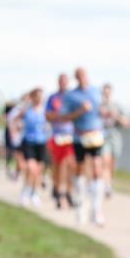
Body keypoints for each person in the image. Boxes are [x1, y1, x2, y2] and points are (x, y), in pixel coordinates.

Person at [60, 67, 106, 226]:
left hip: (96, 136)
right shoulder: (71, 96)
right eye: (79, 76)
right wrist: (80, 111)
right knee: (80, 170)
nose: (82, 78)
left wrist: (105, 113)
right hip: (79, 136)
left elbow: (102, 111)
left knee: (97, 168)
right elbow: (65, 116)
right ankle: (81, 206)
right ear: (76, 78)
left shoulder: (96, 92)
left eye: (84, 75)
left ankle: (97, 209)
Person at [45, 73, 78, 210]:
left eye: (65, 81)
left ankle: (68, 193)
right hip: (57, 136)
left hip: (71, 136)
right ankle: (58, 190)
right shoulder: (53, 98)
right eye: (61, 81)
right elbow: (48, 115)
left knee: (70, 164)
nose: (63, 83)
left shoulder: (73, 98)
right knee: (58, 165)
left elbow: (78, 115)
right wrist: (61, 116)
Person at [17, 88, 49, 207]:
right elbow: (16, 119)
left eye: (42, 96)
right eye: (38, 96)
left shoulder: (45, 110)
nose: (40, 98)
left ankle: (34, 193)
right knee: (31, 169)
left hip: (42, 142)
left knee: (38, 171)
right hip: (29, 142)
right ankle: (26, 192)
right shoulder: (27, 110)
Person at [100, 82, 130, 199]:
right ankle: (107, 186)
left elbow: (127, 122)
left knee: (112, 163)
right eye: (104, 92)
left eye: (108, 92)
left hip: (115, 137)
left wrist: (116, 116)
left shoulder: (117, 106)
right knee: (105, 161)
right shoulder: (99, 106)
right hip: (103, 137)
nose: (106, 94)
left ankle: (110, 181)